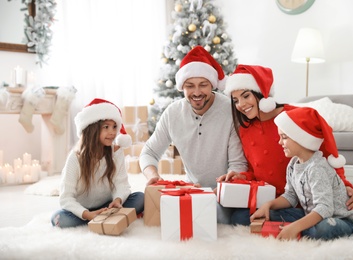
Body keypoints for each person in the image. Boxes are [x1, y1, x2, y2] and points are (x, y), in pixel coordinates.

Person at [218, 64, 353, 225]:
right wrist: (242, 177)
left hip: (315, 194)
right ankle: (313, 219)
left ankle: (325, 217)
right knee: (239, 218)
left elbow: (329, 155)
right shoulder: (245, 130)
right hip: (280, 200)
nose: (241, 105)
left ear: (262, 93)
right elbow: (254, 171)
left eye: (246, 96)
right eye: (236, 100)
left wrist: (345, 186)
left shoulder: (294, 117)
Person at [139, 46, 247, 223]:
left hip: (223, 193)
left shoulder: (230, 110)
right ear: (182, 87)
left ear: (212, 84)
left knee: (216, 217)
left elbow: (238, 165)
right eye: (190, 86)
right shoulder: (173, 113)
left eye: (203, 85)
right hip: (191, 190)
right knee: (157, 210)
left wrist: (222, 190)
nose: (197, 92)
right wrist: (154, 177)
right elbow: (148, 153)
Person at [250, 107, 353, 240]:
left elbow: (325, 209)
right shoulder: (293, 164)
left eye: (284, 137)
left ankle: (298, 229)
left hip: (340, 220)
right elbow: (291, 196)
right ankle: (302, 228)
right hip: (312, 214)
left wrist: (295, 227)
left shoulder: (316, 168)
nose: (280, 142)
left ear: (301, 139)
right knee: (273, 213)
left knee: (324, 228)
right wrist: (268, 205)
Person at [51, 98, 144, 228]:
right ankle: (98, 219)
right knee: (58, 219)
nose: (112, 132)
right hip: (84, 209)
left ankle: (105, 216)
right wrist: (87, 214)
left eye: (114, 127)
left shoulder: (116, 152)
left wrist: (117, 200)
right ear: (92, 129)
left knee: (140, 198)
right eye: (106, 127)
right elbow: (66, 198)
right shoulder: (75, 158)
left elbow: (122, 184)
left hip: (108, 205)